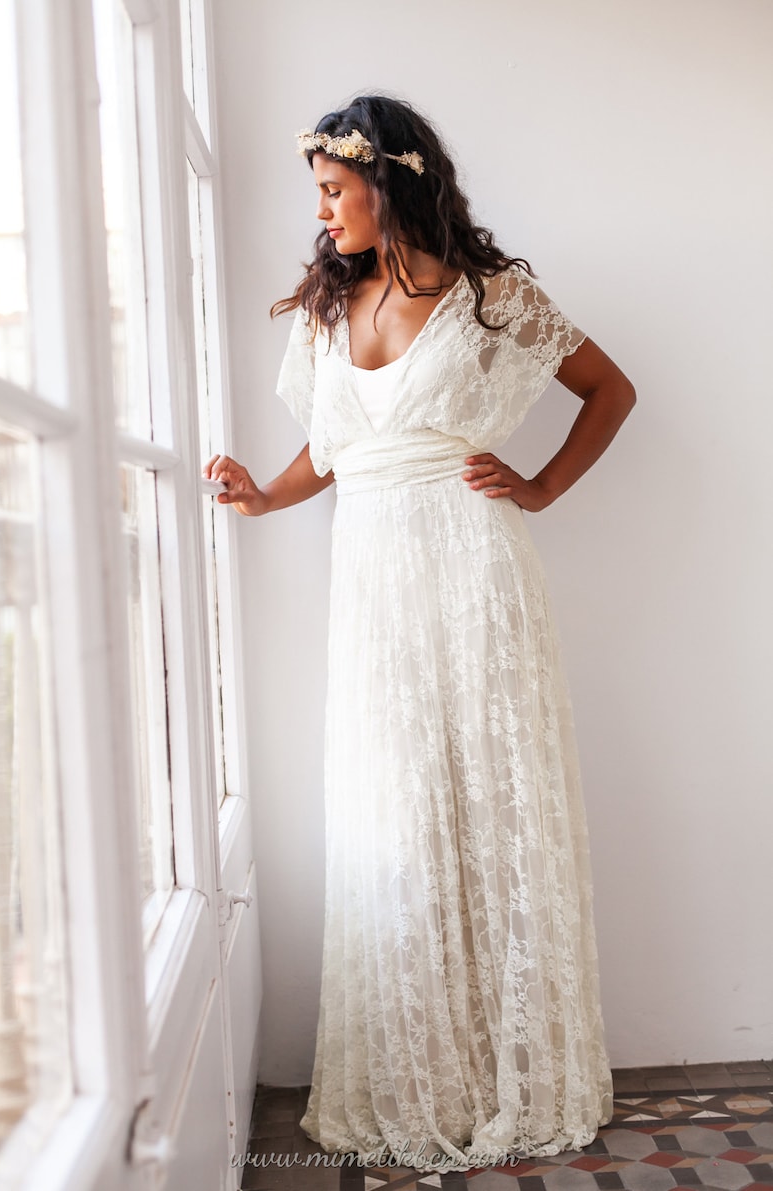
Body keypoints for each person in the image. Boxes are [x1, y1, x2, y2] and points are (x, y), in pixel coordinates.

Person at [205, 94, 635, 1173]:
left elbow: (607, 390)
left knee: (492, 800)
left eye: (333, 189)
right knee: (395, 812)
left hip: (474, 569)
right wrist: (261, 496)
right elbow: (334, 450)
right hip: (374, 582)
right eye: (318, 192)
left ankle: (512, 1071)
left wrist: (536, 487)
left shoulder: (493, 299)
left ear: (386, 184)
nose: (321, 211)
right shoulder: (325, 308)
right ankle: (419, 1071)